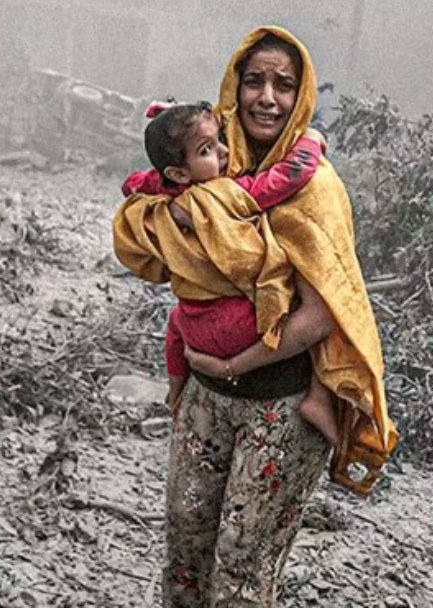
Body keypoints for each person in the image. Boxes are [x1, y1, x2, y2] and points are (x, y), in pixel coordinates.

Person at [114, 26, 398, 607]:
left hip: (282, 405)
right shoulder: (207, 166)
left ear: (303, 97)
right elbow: (147, 236)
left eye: (285, 85)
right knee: (185, 555)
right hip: (205, 401)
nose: (267, 97)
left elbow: (322, 315)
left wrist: (230, 358)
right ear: (233, 90)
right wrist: (179, 221)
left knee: (243, 569)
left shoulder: (316, 188)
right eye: (254, 82)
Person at [121, 100, 339, 445]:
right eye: (208, 149)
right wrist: (310, 139)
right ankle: (319, 397)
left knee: (176, 318)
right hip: (239, 335)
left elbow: (133, 184)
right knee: (301, 300)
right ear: (179, 172)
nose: (224, 152)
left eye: (221, 138)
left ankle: (175, 392)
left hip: (194, 331)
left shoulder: (167, 193)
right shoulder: (226, 194)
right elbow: (286, 178)